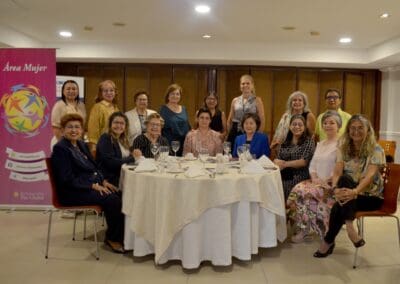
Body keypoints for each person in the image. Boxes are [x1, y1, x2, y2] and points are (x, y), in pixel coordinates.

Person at [51, 113, 125, 253]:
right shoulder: (60, 148)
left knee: (120, 194)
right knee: (113, 200)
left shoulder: (81, 144)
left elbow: (95, 167)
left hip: (87, 186)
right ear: (62, 130)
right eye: (70, 127)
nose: (74, 130)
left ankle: (122, 235)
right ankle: (112, 239)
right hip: (72, 192)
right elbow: (66, 179)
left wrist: (103, 181)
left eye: (77, 127)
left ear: (82, 130)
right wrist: (92, 186)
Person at [314, 114, 385, 258]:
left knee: (338, 205)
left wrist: (355, 191)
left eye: (360, 128)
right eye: (352, 128)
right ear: (348, 131)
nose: (356, 131)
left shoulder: (376, 149)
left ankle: (329, 241)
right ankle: (350, 227)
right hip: (349, 194)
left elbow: (370, 175)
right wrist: (335, 188)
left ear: (368, 130)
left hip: (370, 196)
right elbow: (338, 170)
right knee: (344, 180)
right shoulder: (344, 147)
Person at [287, 111, 342, 243]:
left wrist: (325, 180)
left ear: (338, 126)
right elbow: (312, 165)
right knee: (297, 190)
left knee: (307, 194)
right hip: (316, 181)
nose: (328, 125)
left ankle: (320, 230)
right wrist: (314, 177)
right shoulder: (320, 143)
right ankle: (304, 229)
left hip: (330, 184)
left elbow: (340, 169)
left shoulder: (341, 144)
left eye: (332, 123)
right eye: (325, 123)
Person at [274, 114, 315, 200]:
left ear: (304, 127)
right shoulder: (285, 141)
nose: (297, 127)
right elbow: (278, 159)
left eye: (300, 125)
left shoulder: (309, 141)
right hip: (283, 174)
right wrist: (277, 162)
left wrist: (285, 164)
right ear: (289, 126)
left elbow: (304, 161)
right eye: (294, 124)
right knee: (272, 183)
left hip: (299, 176)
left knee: (285, 185)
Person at [96, 112, 142, 187]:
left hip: (122, 175)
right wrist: (133, 158)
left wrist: (134, 153)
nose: (119, 126)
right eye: (116, 122)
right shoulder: (106, 138)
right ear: (110, 124)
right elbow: (111, 163)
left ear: (125, 126)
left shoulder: (122, 139)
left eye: (122, 123)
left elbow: (125, 157)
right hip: (109, 179)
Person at [226, 74, 265, 149]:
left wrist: (258, 134)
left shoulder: (257, 100)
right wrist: (229, 132)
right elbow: (229, 120)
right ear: (240, 86)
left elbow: (262, 119)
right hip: (235, 131)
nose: (245, 85)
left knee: (248, 155)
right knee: (232, 155)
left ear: (252, 85)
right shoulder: (235, 100)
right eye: (243, 83)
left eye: (248, 83)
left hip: (250, 131)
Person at [51, 80, 86, 149]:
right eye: (68, 89)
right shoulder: (59, 105)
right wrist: (65, 145)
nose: (71, 91)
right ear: (63, 91)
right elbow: (55, 128)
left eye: (74, 89)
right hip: (62, 143)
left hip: (78, 142)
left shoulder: (82, 105)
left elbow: (82, 125)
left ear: (78, 91)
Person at [87, 80, 119, 156]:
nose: (109, 93)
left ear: (115, 92)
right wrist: (94, 149)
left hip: (115, 145)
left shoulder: (115, 108)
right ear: (101, 93)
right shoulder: (97, 107)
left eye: (111, 90)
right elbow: (93, 131)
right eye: (105, 91)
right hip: (102, 147)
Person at [159, 84, 191, 156]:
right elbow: (160, 128)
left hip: (184, 144)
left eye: (177, 94)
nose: (175, 96)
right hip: (169, 145)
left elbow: (188, 126)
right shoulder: (163, 109)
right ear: (168, 96)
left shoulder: (183, 108)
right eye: (172, 94)